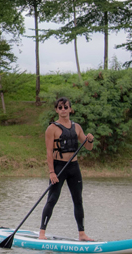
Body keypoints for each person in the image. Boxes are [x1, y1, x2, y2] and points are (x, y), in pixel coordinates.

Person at [39, 97, 95, 241]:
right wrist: (52, 172)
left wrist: (90, 140)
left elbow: (88, 147)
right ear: (56, 110)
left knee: (78, 200)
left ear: (70, 109)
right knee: (52, 199)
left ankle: (82, 234)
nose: (63, 110)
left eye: (66, 107)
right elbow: (49, 152)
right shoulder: (51, 129)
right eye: (60, 107)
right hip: (59, 167)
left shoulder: (77, 127)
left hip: (74, 168)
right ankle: (42, 233)